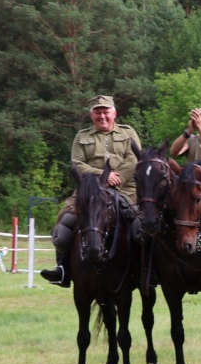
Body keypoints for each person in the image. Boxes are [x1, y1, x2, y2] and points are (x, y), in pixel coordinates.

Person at [41, 95, 142, 287]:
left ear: (114, 113)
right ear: (91, 114)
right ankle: (62, 269)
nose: (102, 116)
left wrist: (116, 176)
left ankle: (147, 269)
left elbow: (135, 159)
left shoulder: (128, 133)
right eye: (98, 112)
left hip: (125, 190)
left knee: (141, 227)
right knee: (63, 225)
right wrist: (102, 176)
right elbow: (76, 163)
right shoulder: (82, 136)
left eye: (106, 112)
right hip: (88, 191)